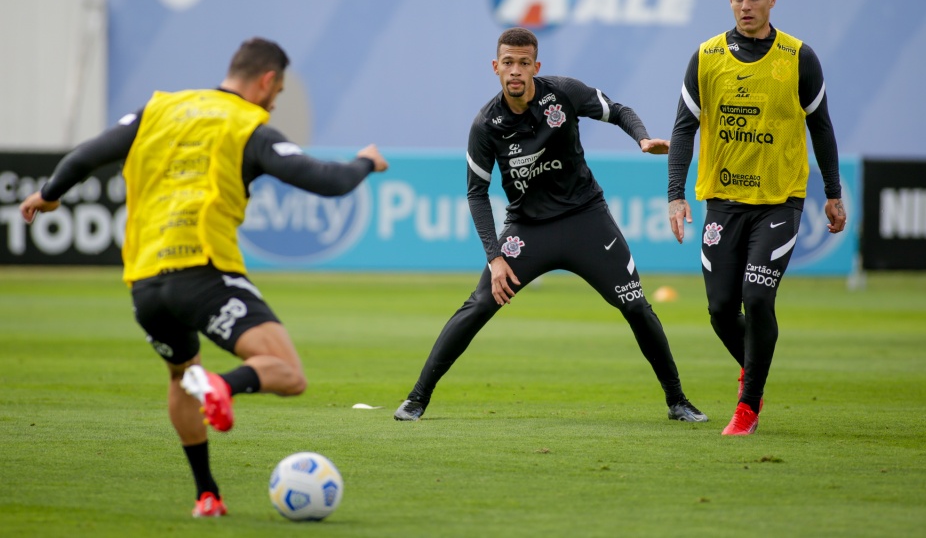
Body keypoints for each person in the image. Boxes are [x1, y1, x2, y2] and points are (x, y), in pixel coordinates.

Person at [20, 37, 389, 516]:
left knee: (180, 375)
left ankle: (207, 495)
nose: (272, 104)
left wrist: (50, 193)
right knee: (288, 373)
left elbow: (85, 156)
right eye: (276, 96)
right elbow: (326, 181)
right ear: (267, 82)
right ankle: (223, 386)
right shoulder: (249, 126)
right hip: (204, 271)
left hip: (145, 283)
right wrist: (366, 162)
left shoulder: (157, 110)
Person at [393, 27, 707, 424]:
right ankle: (417, 398)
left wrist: (642, 139)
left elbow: (620, 110)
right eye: (508, 62)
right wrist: (495, 258)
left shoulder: (562, 93)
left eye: (524, 63)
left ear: (536, 67)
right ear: (495, 67)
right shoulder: (485, 125)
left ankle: (677, 401)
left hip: (586, 221)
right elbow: (476, 194)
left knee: (636, 306)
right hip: (528, 230)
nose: (516, 71)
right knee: (479, 306)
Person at [667, 0, 846, 436]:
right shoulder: (706, 57)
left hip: (779, 203)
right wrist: (675, 194)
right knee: (721, 309)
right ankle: (756, 368)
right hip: (722, 203)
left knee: (757, 297)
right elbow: (684, 130)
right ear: (729, 1)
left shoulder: (798, 58)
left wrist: (833, 192)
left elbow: (821, 126)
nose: (746, 7)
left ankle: (747, 406)